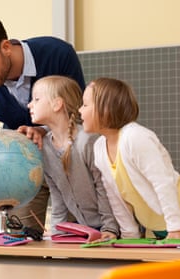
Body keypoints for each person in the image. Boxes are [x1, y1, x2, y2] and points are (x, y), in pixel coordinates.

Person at [0, 14, 86, 232]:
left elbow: (78, 111)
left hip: (67, 162)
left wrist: (44, 130)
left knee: (73, 238)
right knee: (18, 240)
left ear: (5, 47)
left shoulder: (57, 53)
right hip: (19, 169)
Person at [79, 77, 180, 241]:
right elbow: (116, 197)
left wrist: (176, 228)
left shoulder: (135, 137)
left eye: (85, 105)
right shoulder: (99, 147)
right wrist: (130, 235)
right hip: (158, 224)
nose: (79, 110)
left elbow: (163, 182)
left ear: (105, 109)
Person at [28, 75, 119, 240]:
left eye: (36, 99)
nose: (29, 104)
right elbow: (57, 197)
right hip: (87, 230)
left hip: (114, 228)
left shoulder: (87, 140)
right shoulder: (44, 148)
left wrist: (110, 229)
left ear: (57, 104)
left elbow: (105, 187)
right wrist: (57, 233)